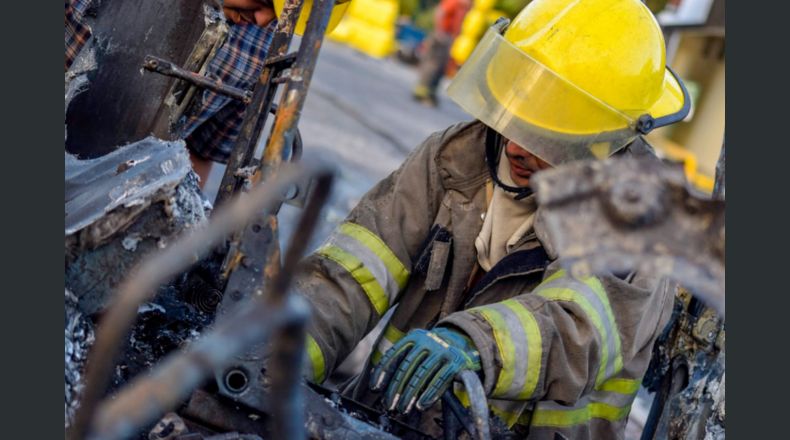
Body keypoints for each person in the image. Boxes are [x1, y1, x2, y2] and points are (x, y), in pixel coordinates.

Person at [294, 0, 690, 438]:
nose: (518, 147)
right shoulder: (453, 159)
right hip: (384, 421)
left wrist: (474, 342)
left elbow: (576, 330)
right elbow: (347, 278)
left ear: (606, 138)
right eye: (522, 111)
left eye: (550, 133)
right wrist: (277, 358)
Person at [411, 0, 471, 107]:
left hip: (449, 37)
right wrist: (439, 31)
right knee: (432, 65)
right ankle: (421, 92)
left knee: (441, 68)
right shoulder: (454, 1)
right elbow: (440, 11)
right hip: (442, 36)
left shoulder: (465, 5)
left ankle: (430, 93)